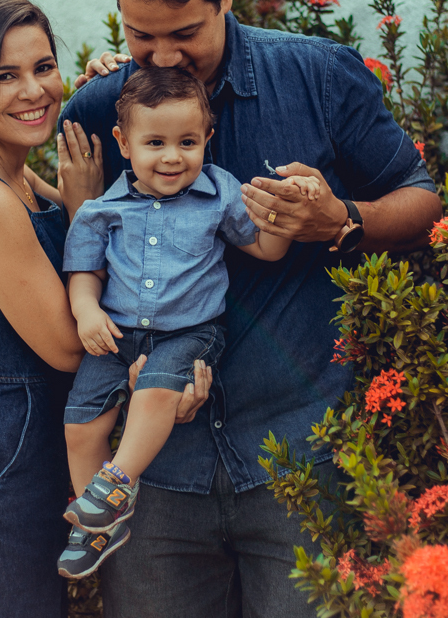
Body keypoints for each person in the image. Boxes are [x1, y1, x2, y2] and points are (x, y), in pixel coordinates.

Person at [60, 0, 443, 618]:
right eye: (140, 36)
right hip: (154, 479)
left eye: (186, 34)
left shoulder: (319, 77)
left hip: (301, 456)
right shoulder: (100, 108)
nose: (165, 57)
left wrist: (343, 220)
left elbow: (422, 198)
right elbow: (64, 256)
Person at [0, 0, 212, 618]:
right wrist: (82, 208)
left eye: (43, 67)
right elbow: (71, 346)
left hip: (13, 451)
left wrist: (123, 84)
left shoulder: (16, 177)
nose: (32, 90)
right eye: (5, 76)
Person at [57, 68, 319, 579]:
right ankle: (95, 529)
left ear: (207, 139)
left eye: (187, 141)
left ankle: (115, 485)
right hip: (115, 334)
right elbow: (84, 271)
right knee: (80, 423)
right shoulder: (103, 208)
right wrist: (86, 311)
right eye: (155, 142)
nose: (173, 156)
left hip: (189, 333)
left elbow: (264, 249)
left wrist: (285, 215)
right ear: (124, 143)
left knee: (155, 391)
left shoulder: (219, 194)